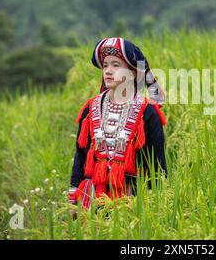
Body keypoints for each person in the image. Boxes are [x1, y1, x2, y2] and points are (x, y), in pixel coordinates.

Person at [68, 37, 167, 214]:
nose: (108, 71)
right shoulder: (90, 109)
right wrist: (73, 199)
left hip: (132, 199)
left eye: (116, 65)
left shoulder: (148, 113)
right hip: (91, 198)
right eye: (105, 65)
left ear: (133, 72)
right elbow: (80, 155)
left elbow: (157, 163)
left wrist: (155, 204)